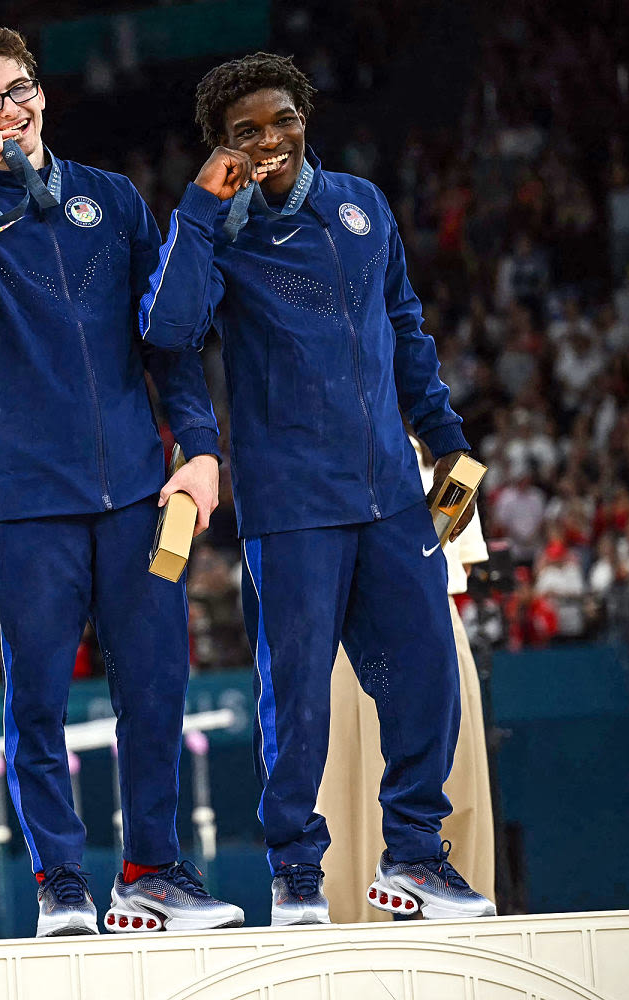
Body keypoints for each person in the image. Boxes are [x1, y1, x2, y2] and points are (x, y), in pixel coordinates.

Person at [137, 51, 496, 923]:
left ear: (306, 116)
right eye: (246, 131)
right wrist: (200, 207)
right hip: (291, 503)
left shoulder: (362, 207)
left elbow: (405, 327)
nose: (270, 141)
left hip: (390, 495)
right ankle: (297, 872)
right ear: (222, 145)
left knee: (426, 678)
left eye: (281, 120)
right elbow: (167, 328)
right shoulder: (219, 233)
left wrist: (446, 442)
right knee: (292, 697)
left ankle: (413, 855)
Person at [0, 27, 241, 937]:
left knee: (156, 686)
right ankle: (61, 884)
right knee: (38, 699)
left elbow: (165, 343)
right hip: (27, 501)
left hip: (134, 488)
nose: (9, 108)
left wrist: (197, 445)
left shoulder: (112, 199)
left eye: (19, 89)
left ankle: (153, 873)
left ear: (42, 94)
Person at [316, 436, 496, 922]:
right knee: (347, 787)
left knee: (447, 776)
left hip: (433, 626)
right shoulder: (324, 448)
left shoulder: (440, 457)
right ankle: (354, 922)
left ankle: (446, 891)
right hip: (348, 636)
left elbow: (461, 557)